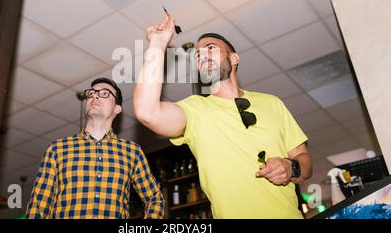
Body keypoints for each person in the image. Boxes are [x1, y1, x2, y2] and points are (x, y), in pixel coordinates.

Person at [133, 15, 313, 219]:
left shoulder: (272, 103)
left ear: (234, 58)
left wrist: (291, 167)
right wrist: (157, 44)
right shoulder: (196, 110)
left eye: (210, 48)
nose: (202, 57)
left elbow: (304, 160)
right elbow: (147, 112)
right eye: (198, 55)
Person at [26, 78, 164, 219]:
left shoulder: (131, 152)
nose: (95, 96)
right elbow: (38, 205)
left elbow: (155, 199)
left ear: (117, 109)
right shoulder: (58, 149)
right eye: (91, 94)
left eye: (105, 93)